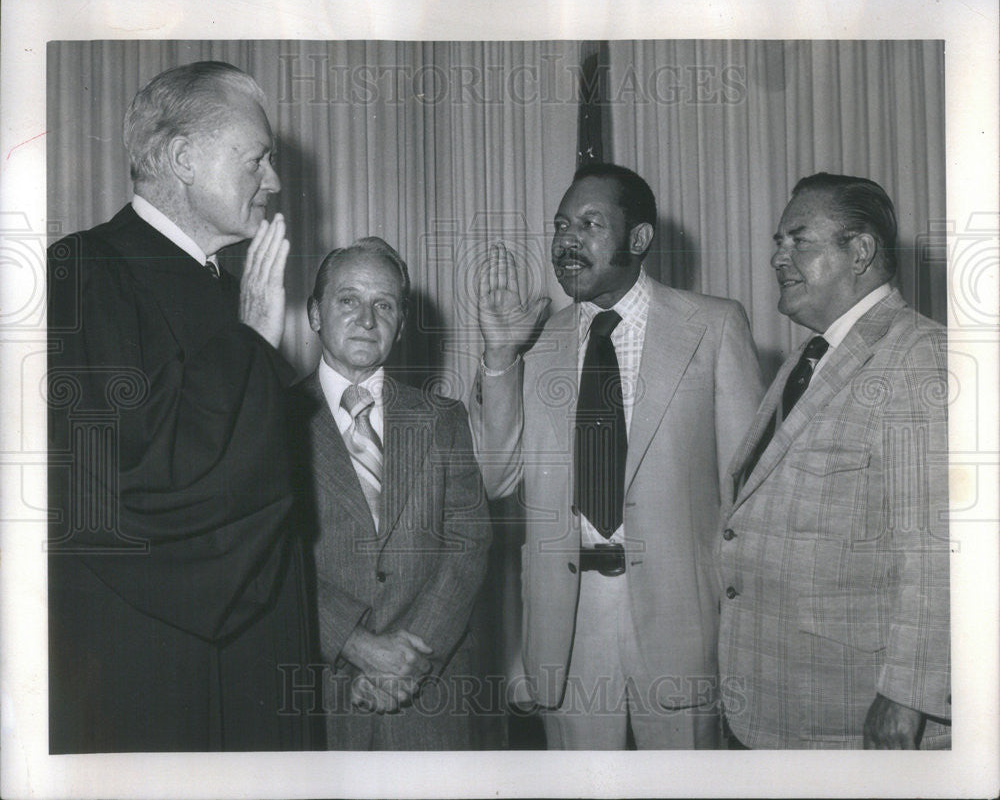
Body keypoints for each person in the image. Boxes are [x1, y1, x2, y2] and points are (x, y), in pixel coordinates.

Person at [46, 61, 313, 752]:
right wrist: (252, 346)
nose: (275, 182)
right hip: (149, 672)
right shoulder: (84, 272)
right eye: (257, 159)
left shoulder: (234, 293)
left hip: (254, 670)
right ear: (183, 157)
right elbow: (139, 478)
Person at [469, 163, 765, 749]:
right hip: (567, 623)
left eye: (589, 223)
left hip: (683, 618)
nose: (566, 241)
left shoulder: (712, 325)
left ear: (639, 239)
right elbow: (496, 478)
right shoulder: (538, 340)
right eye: (560, 225)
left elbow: (750, 493)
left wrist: (747, 630)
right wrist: (500, 358)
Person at [716, 173, 950, 749]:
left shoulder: (921, 355)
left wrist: (907, 696)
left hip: (855, 712)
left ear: (862, 252)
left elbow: (941, 544)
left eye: (799, 241)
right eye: (778, 242)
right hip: (779, 698)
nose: (778, 257)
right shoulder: (809, 357)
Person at [289, 237, 492, 749]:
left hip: (431, 696)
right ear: (315, 314)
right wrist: (353, 643)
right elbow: (264, 558)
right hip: (317, 693)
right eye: (348, 300)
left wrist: (408, 663)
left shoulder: (444, 420)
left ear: (401, 323)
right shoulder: (270, 417)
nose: (367, 318)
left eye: (384, 305)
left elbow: (468, 543)